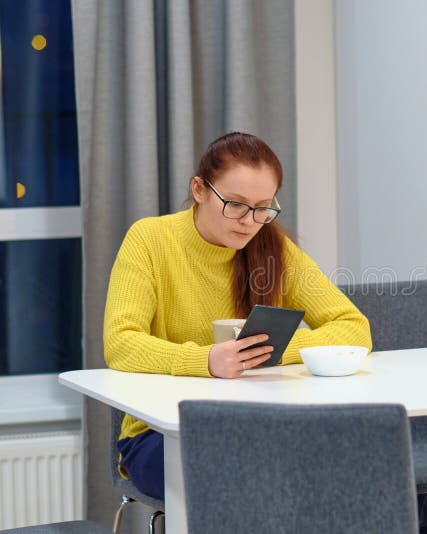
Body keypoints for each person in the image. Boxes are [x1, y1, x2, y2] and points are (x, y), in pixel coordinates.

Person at [103, 132, 372, 500]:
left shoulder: (273, 247)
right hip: (161, 433)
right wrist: (207, 360)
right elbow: (120, 343)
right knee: (254, 475)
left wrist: (266, 349)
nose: (250, 221)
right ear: (199, 189)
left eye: (263, 207)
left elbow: (355, 329)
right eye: (235, 204)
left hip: (262, 424)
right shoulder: (150, 240)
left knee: (355, 458)